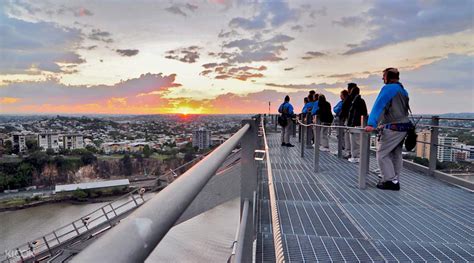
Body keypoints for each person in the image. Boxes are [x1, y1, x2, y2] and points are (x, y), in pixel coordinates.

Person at [365, 68, 410, 191]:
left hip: (392, 127)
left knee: (382, 154)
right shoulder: (403, 90)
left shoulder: (388, 89)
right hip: (404, 127)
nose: (382, 78)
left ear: (389, 77)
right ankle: (395, 179)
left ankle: (389, 180)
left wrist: (371, 123)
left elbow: (379, 105)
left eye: (384, 76)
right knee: (396, 153)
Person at [347, 86, 367, 163]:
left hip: (356, 124)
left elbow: (354, 114)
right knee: (356, 141)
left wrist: (351, 124)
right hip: (359, 123)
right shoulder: (360, 101)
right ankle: (356, 156)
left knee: (355, 141)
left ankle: (356, 157)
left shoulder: (356, 101)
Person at [339, 83, 357, 157]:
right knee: (354, 139)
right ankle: (353, 153)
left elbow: (344, 109)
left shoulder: (349, 98)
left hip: (349, 120)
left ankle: (349, 152)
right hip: (355, 120)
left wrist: (341, 117)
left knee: (348, 137)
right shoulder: (357, 98)